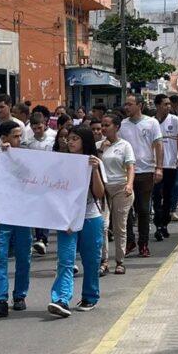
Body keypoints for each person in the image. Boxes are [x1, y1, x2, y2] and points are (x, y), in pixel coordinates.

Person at [48, 126, 106, 318]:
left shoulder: (95, 162)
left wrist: (95, 170)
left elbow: (99, 194)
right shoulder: (61, 162)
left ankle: (90, 296)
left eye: (75, 138)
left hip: (90, 218)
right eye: (68, 138)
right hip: (66, 220)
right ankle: (61, 299)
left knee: (91, 260)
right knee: (65, 260)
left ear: (85, 141)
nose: (70, 142)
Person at [0, 121, 32, 316]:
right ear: (4, 139)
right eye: (16, 136)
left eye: (21, 136)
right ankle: (0, 298)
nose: (20, 140)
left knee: (24, 257)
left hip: (24, 216)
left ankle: (20, 295)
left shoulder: (30, 157)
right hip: (2, 216)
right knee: (0, 257)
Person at [119, 94, 163, 258]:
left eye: (130, 104)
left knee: (143, 209)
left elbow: (158, 145)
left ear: (140, 105)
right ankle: (129, 240)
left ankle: (143, 243)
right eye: (126, 104)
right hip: (126, 173)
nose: (126, 107)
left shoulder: (152, 123)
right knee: (126, 210)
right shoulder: (122, 125)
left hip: (146, 171)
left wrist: (159, 167)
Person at [99, 114, 135, 275]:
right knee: (103, 226)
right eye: (103, 125)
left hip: (121, 188)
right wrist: (101, 149)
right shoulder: (99, 145)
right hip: (103, 189)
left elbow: (130, 167)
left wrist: (129, 184)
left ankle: (120, 261)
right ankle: (104, 261)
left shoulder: (125, 146)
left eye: (107, 125)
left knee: (120, 227)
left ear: (117, 127)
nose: (104, 128)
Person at [25, 113, 55, 255]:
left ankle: (43, 238)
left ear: (45, 125)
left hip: (50, 179)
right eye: (35, 128)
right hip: (34, 180)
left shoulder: (53, 139)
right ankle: (38, 238)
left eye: (40, 127)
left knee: (46, 209)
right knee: (36, 209)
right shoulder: (28, 143)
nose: (38, 130)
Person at [152, 94, 178, 242]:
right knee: (157, 196)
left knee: (168, 196)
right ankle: (158, 225)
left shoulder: (175, 121)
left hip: (171, 165)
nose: (168, 107)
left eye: (169, 104)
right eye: (165, 104)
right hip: (155, 166)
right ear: (157, 106)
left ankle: (165, 223)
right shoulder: (151, 122)